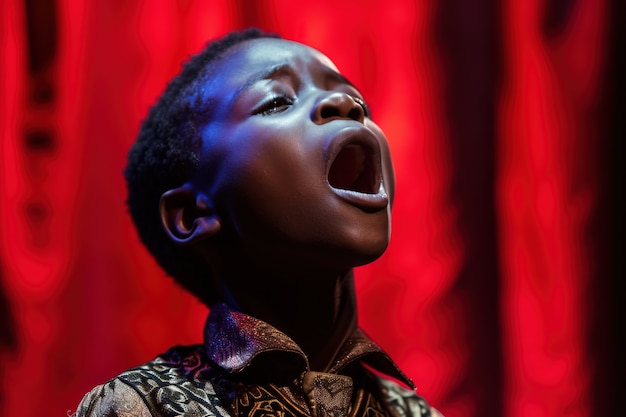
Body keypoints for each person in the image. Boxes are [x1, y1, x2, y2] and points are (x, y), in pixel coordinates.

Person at [73, 28, 443, 417]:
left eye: (359, 103)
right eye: (276, 102)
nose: (344, 104)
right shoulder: (141, 407)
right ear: (193, 214)